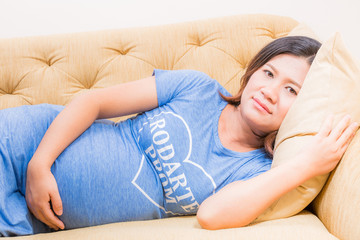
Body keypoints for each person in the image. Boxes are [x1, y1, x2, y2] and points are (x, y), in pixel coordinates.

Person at [0, 36, 357, 237]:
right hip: (23, 144)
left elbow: (212, 215)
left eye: (292, 90)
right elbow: (94, 102)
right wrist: (40, 163)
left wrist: (305, 164)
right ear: (251, 74)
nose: (270, 91)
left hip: (32, 217)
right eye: (268, 73)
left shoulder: (257, 171)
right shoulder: (198, 89)